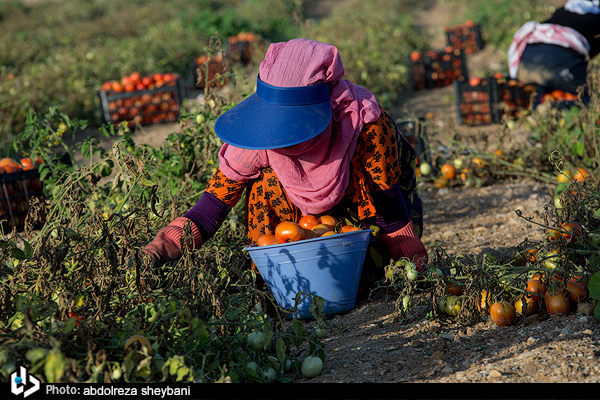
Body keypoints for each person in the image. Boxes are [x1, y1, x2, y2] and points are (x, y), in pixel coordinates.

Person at [140, 38, 428, 294]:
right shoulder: (258, 135)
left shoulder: (365, 125)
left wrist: (414, 265)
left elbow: (389, 209)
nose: (284, 139)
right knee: (266, 183)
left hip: (365, 222)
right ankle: (276, 275)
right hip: (299, 228)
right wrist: (158, 250)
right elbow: (210, 209)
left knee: (353, 278)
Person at [508, 0, 600, 104]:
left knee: (554, 86)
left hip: (523, 61)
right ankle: (557, 108)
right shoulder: (595, 17)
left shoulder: (568, 9)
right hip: (552, 60)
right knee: (596, 92)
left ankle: (539, 103)